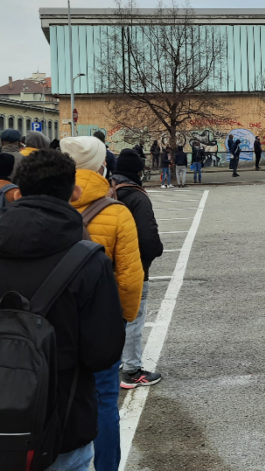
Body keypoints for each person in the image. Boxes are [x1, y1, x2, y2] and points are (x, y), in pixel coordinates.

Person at [0, 149, 125, 471]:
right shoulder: (89, 261)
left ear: (17, 191)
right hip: (61, 425)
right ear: (75, 191)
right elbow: (103, 353)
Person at [59, 136, 145, 471]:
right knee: (105, 401)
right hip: (99, 323)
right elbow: (129, 278)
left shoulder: (47, 200)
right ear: (101, 164)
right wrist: (123, 318)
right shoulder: (116, 211)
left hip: (54, 320)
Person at [108, 149, 165, 391]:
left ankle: (118, 363)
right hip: (134, 268)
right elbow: (148, 239)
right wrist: (155, 252)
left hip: (107, 267)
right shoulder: (137, 197)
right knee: (133, 317)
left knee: (115, 318)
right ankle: (132, 370)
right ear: (138, 171)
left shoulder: (108, 192)